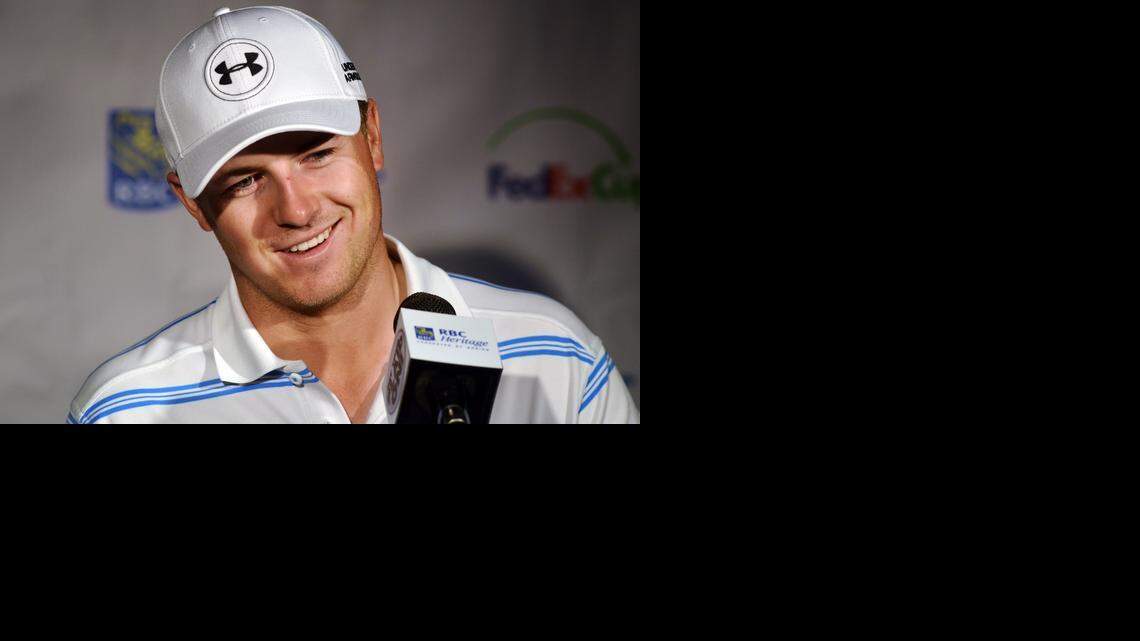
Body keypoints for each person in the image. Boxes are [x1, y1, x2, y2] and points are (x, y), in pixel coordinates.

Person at [67, 6, 638, 424]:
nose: (296, 209)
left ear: (373, 135)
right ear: (192, 203)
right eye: (245, 180)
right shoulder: (126, 410)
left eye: (316, 155)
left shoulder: (556, 357)